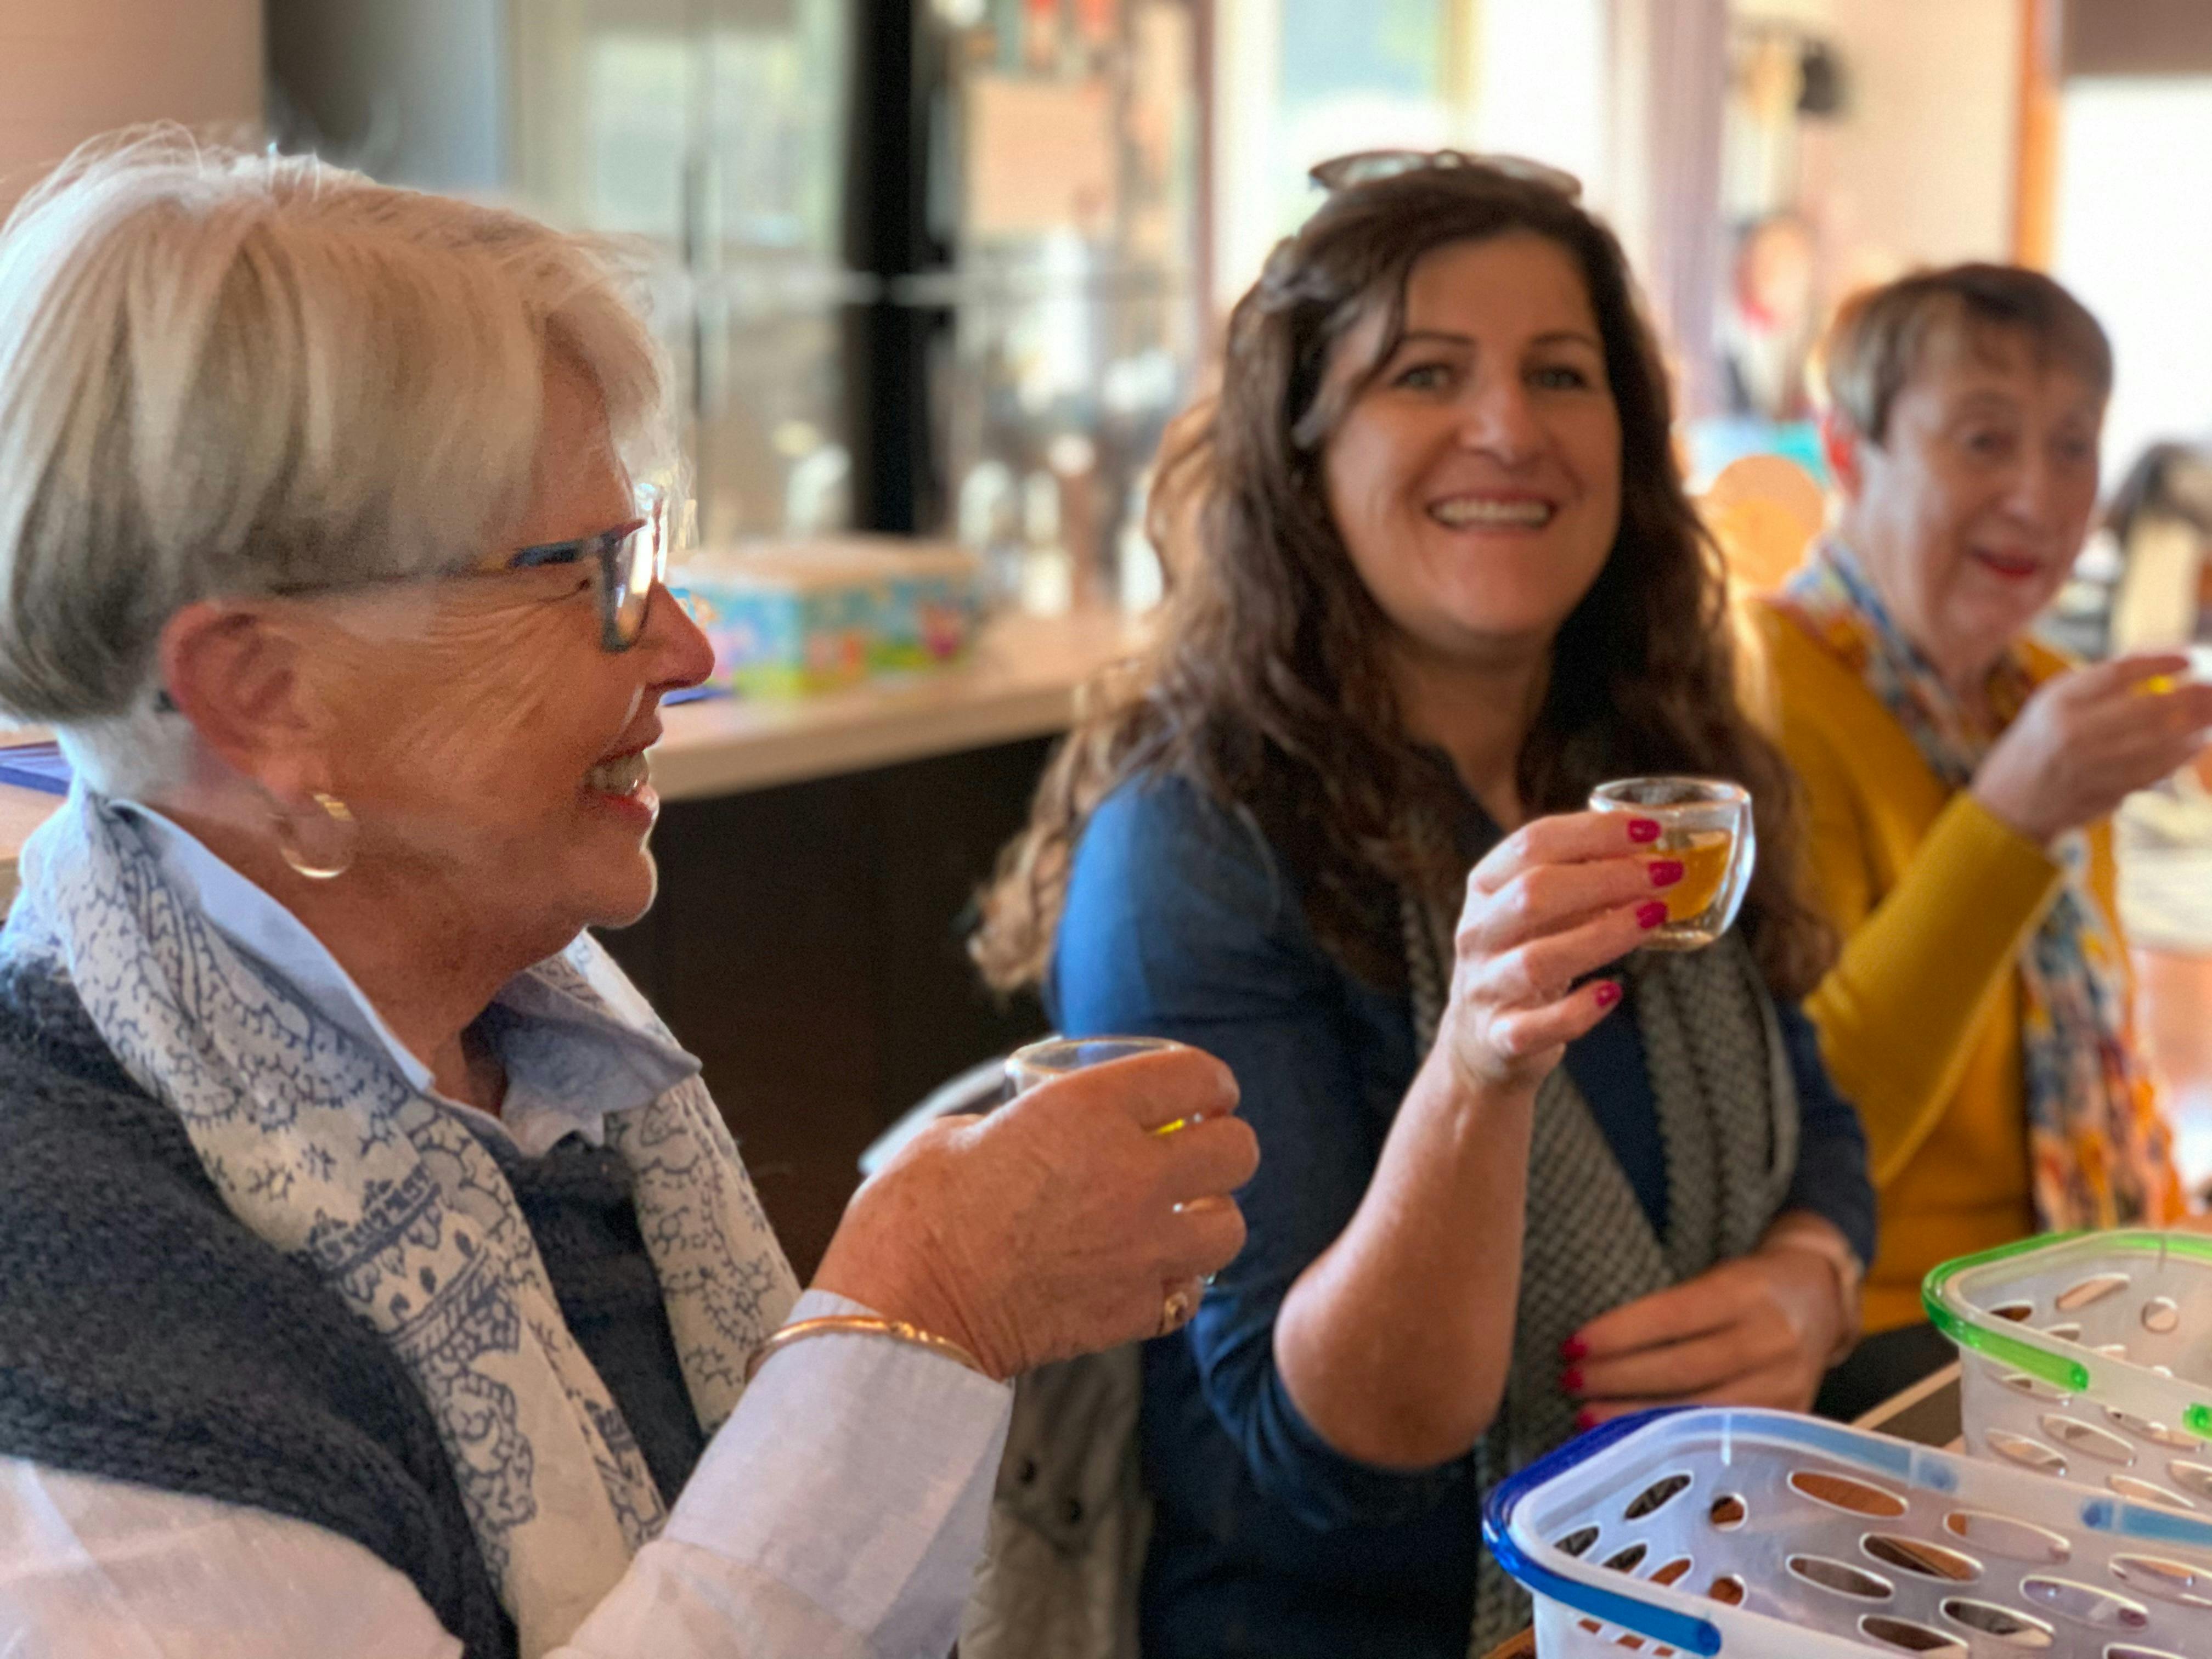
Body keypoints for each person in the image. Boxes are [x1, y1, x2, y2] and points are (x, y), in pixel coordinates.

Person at [0, 136, 1259, 1659]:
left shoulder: (541, 1056)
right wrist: (920, 1318)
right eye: (586, 575)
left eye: (645, 551)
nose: (683, 648)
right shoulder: (77, 1308)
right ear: (266, 695)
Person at [971, 151, 1876, 1659]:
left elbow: (1820, 1125)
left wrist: (1810, 1286)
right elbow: (1328, 1451)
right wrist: (1478, 1067)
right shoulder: (1193, 847)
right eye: (1426, 373)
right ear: (1305, 446)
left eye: (1562, 374)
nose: (1508, 428)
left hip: (1717, 1588)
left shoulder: (1662, 771)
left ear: (1631, 445)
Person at [1748, 265, 2212, 1415]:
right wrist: (2010, 817)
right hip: (1897, 1332)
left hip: (2093, 1286)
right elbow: (1804, 1134)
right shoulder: (1758, 698)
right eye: (1984, 440)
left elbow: (2095, 1059)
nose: (2041, 498)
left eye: (2072, 447)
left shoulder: (2040, 693)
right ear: (1848, 451)